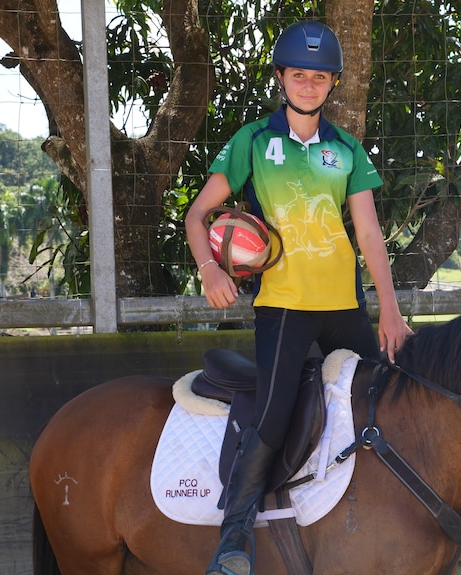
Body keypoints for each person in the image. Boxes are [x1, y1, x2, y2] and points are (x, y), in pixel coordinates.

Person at [185, 20, 413, 575]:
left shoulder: (347, 150)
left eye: (319, 76)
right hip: (283, 307)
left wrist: (390, 307)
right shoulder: (252, 142)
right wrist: (210, 268)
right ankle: (233, 537)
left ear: (332, 83)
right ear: (282, 79)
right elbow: (196, 215)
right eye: (298, 75)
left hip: (343, 309)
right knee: (274, 411)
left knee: (397, 389)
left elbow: (368, 235)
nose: (309, 85)